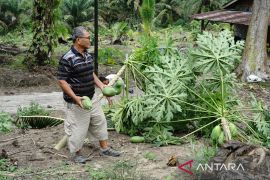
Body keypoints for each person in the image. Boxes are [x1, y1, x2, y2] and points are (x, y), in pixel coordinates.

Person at [57, 26, 121, 164]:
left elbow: (90, 74)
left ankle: (105, 149)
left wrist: (102, 87)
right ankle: (76, 154)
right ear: (79, 40)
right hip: (77, 101)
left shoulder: (87, 55)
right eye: (88, 38)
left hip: (91, 97)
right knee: (77, 129)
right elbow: (62, 81)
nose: (90, 40)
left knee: (100, 122)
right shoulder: (67, 58)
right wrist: (75, 98)